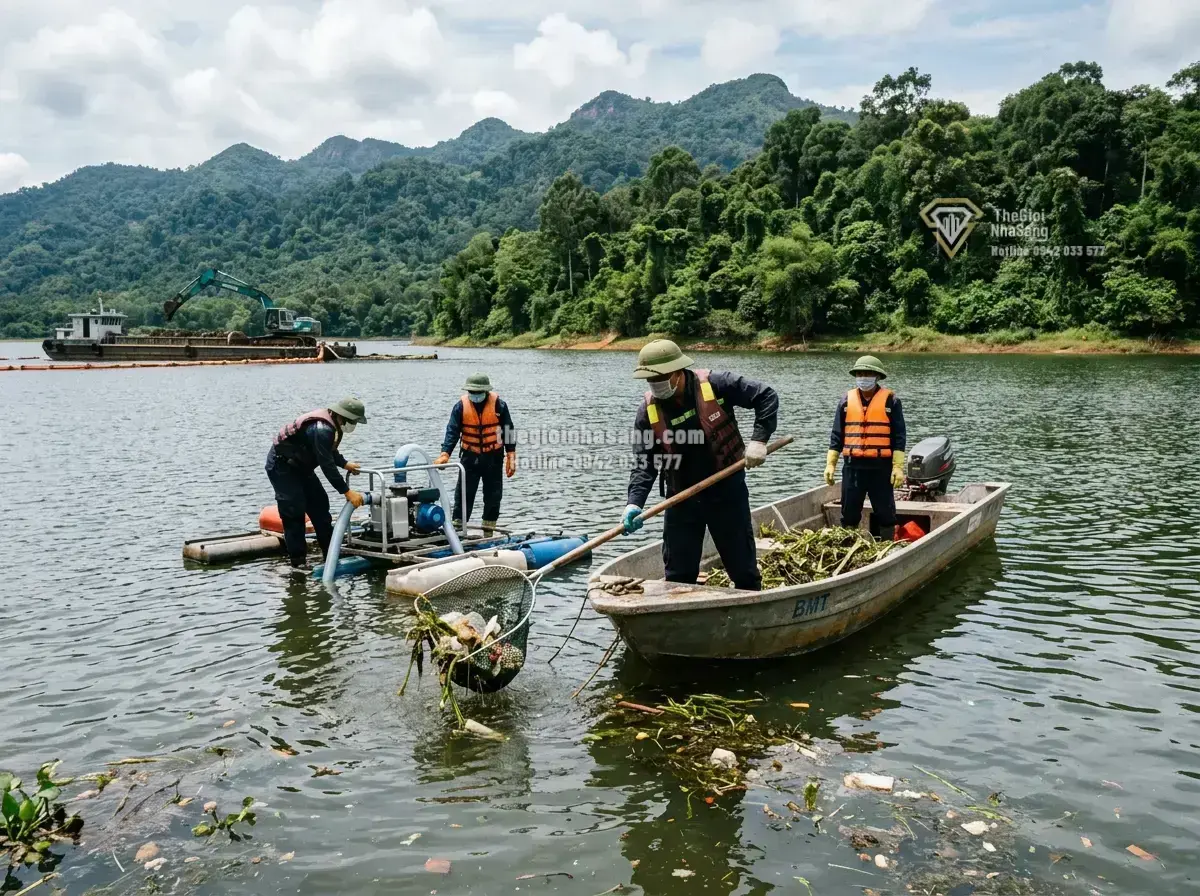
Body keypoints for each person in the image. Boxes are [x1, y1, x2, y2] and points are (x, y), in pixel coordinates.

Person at [620, 339, 778, 591]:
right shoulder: (647, 411)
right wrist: (634, 502)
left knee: (743, 570)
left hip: (726, 492)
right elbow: (644, 462)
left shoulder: (716, 384)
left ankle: (750, 612)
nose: (655, 384)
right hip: (681, 498)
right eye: (650, 379)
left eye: (661, 377)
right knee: (678, 575)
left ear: (678, 372)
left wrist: (759, 440)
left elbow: (766, 396)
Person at [266, 397, 367, 570]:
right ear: (341, 416)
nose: (351, 425)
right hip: (282, 467)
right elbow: (326, 464)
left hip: (301, 468)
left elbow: (329, 450)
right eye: (351, 421)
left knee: (320, 506)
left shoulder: (330, 427)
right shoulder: (321, 429)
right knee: (294, 512)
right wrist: (346, 491)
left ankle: (331, 554)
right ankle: (298, 563)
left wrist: (344, 463)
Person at [824, 356, 907, 541]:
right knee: (849, 512)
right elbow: (837, 435)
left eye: (868, 373)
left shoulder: (891, 401)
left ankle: (887, 546)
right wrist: (831, 464)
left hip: (881, 467)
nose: (864, 377)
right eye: (860, 373)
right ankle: (848, 546)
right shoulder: (846, 400)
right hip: (853, 467)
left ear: (877, 376)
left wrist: (898, 467)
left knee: (885, 512)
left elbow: (899, 436)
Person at [435, 373, 517, 536]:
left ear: (486, 391)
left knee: (493, 496)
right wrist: (445, 453)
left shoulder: (499, 406)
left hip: (493, 457)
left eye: (478, 392)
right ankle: (457, 532)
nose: (475, 395)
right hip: (469, 457)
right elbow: (452, 431)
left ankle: (488, 532)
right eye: (472, 391)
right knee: (464, 495)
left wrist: (511, 456)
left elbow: (508, 430)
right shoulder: (460, 406)